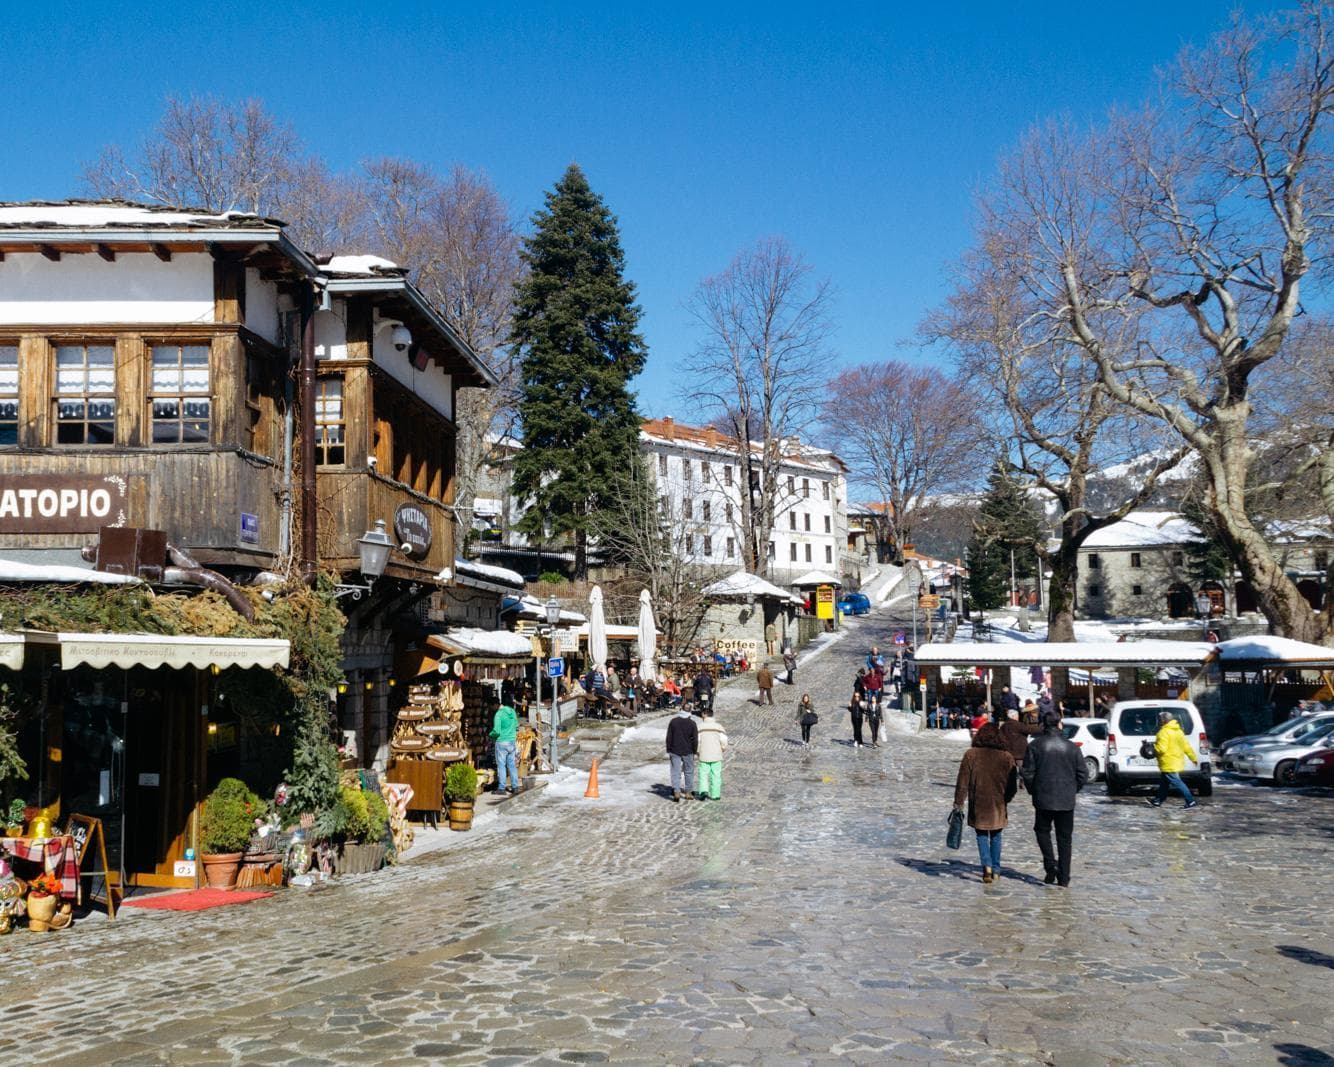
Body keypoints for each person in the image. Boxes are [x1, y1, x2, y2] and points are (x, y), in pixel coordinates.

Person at [1021, 708, 1089, 886]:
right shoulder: (1071, 747)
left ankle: (1051, 866)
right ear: (1060, 724)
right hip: (1066, 800)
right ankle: (1064, 877)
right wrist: (1072, 789)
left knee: (1042, 832)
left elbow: (1027, 773)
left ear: (1043, 724)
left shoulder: (1036, 745)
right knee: (1064, 839)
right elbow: (1083, 773)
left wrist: (1034, 790)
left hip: (1043, 798)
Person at [953, 721, 1018, 883]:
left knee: (981, 834)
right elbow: (1013, 786)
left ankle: (986, 866)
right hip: (998, 804)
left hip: (979, 804)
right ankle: (996, 870)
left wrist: (958, 802)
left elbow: (962, 782)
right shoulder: (1007, 757)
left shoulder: (971, 755)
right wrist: (1006, 799)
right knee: (996, 835)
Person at [1147, 711, 1200, 809]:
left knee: (1177, 782)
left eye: (1159, 719)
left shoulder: (1163, 732)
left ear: (1163, 720)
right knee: (1164, 782)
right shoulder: (1178, 731)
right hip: (1176, 760)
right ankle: (1158, 801)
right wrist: (1193, 758)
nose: (1158, 721)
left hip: (1168, 762)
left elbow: (1161, 749)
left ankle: (1191, 801)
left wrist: (1152, 748)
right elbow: (1186, 746)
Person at [665, 703, 699, 803]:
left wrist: (669, 748)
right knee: (689, 771)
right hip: (688, 750)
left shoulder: (673, 721)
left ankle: (676, 792)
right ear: (690, 711)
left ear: (681, 709)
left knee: (675, 771)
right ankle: (688, 792)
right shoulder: (692, 723)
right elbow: (695, 739)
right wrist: (694, 750)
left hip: (675, 749)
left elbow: (669, 737)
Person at [489, 698, 520, 795]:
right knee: (511, 765)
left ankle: (501, 788)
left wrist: (490, 735)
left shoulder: (498, 714)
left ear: (495, 705)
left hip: (502, 742)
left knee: (501, 765)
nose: (492, 709)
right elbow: (516, 726)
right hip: (512, 741)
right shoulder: (512, 711)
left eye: (491, 707)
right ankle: (515, 787)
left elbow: (497, 731)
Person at [696, 708, 728, 800]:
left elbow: (697, 741)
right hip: (716, 755)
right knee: (716, 775)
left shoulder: (700, 727)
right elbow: (724, 740)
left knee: (703, 774)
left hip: (704, 754)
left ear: (704, 715)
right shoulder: (718, 727)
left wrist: (698, 751)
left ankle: (703, 791)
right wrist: (722, 749)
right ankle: (715, 795)